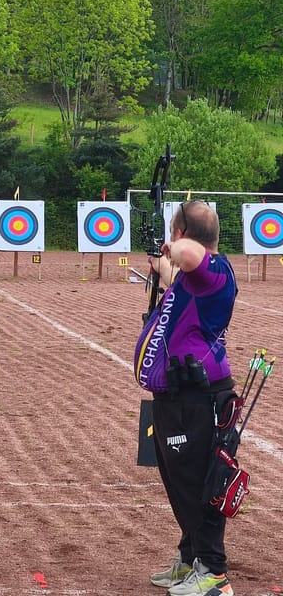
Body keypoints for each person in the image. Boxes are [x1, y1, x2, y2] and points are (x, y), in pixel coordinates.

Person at [134, 200, 238, 596]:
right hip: (176, 396)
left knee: (201, 484)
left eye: (174, 233)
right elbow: (179, 272)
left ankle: (213, 572)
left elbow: (190, 255)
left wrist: (172, 247)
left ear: (181, 233)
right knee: (180, 484)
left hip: (200, 398)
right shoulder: (192, 280)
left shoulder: (215, 272)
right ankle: (191, 557)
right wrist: (161, 265)